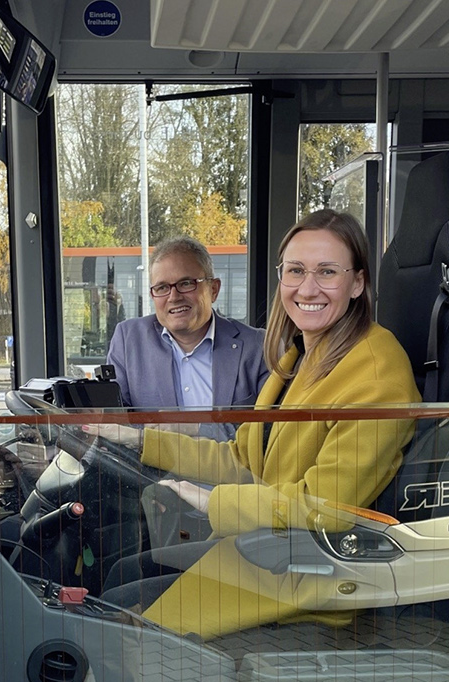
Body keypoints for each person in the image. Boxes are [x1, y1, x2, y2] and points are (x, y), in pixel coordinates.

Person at [93, 209, 420, 639]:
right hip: (269, 550)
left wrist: (213, 504)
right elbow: (242, 456)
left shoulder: (376, 373)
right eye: (296, 271)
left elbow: (328, 509)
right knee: (119, 578)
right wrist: (138, 442)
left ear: (358, 282)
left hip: (307, 575)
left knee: (120, 618)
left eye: (327, 272)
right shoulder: (299, 357)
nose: (308, 288)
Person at [106, 237, 267, 436]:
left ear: (213, 289)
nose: (174, 297)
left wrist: (194, 428)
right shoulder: (128, 339)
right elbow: (117, 425)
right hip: (150, 466)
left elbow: (265, 432)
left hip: (230, 467)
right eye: (162, 288)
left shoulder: (257, 347)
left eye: (186, 283)